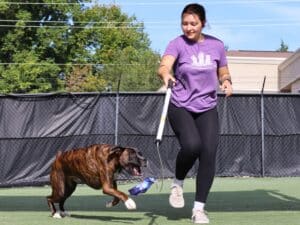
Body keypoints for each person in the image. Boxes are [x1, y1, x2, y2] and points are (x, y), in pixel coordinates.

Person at [157, 3, 233, 224]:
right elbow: (164, 65)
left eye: (193, 23)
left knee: (208, 154)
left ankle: (199, 209)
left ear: (203, 23)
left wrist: (226, 81)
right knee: (192, 146)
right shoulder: (177, 43)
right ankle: (177, 182)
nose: (188, 28)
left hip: (207, 106)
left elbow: (223, 69)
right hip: (180, 104)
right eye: (184, 23)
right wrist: (166, 75)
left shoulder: (216, 45)